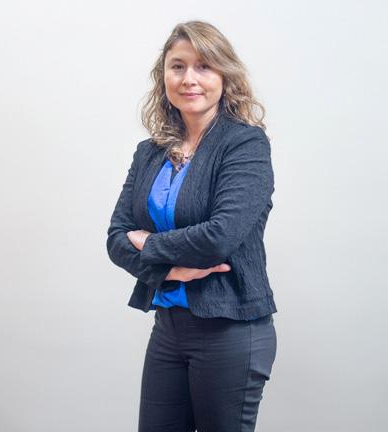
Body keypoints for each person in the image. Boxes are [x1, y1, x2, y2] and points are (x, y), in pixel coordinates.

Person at [106, 20, 277, 432]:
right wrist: (170, 271)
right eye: (178, 66)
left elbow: (220, 237)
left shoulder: (245, 145)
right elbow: (116, 238)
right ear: (163, 75)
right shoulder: (149, 152)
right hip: (168, 331)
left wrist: (149, 246)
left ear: (224, 75)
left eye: (203, 66)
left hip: (230, 329)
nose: (189, 79)